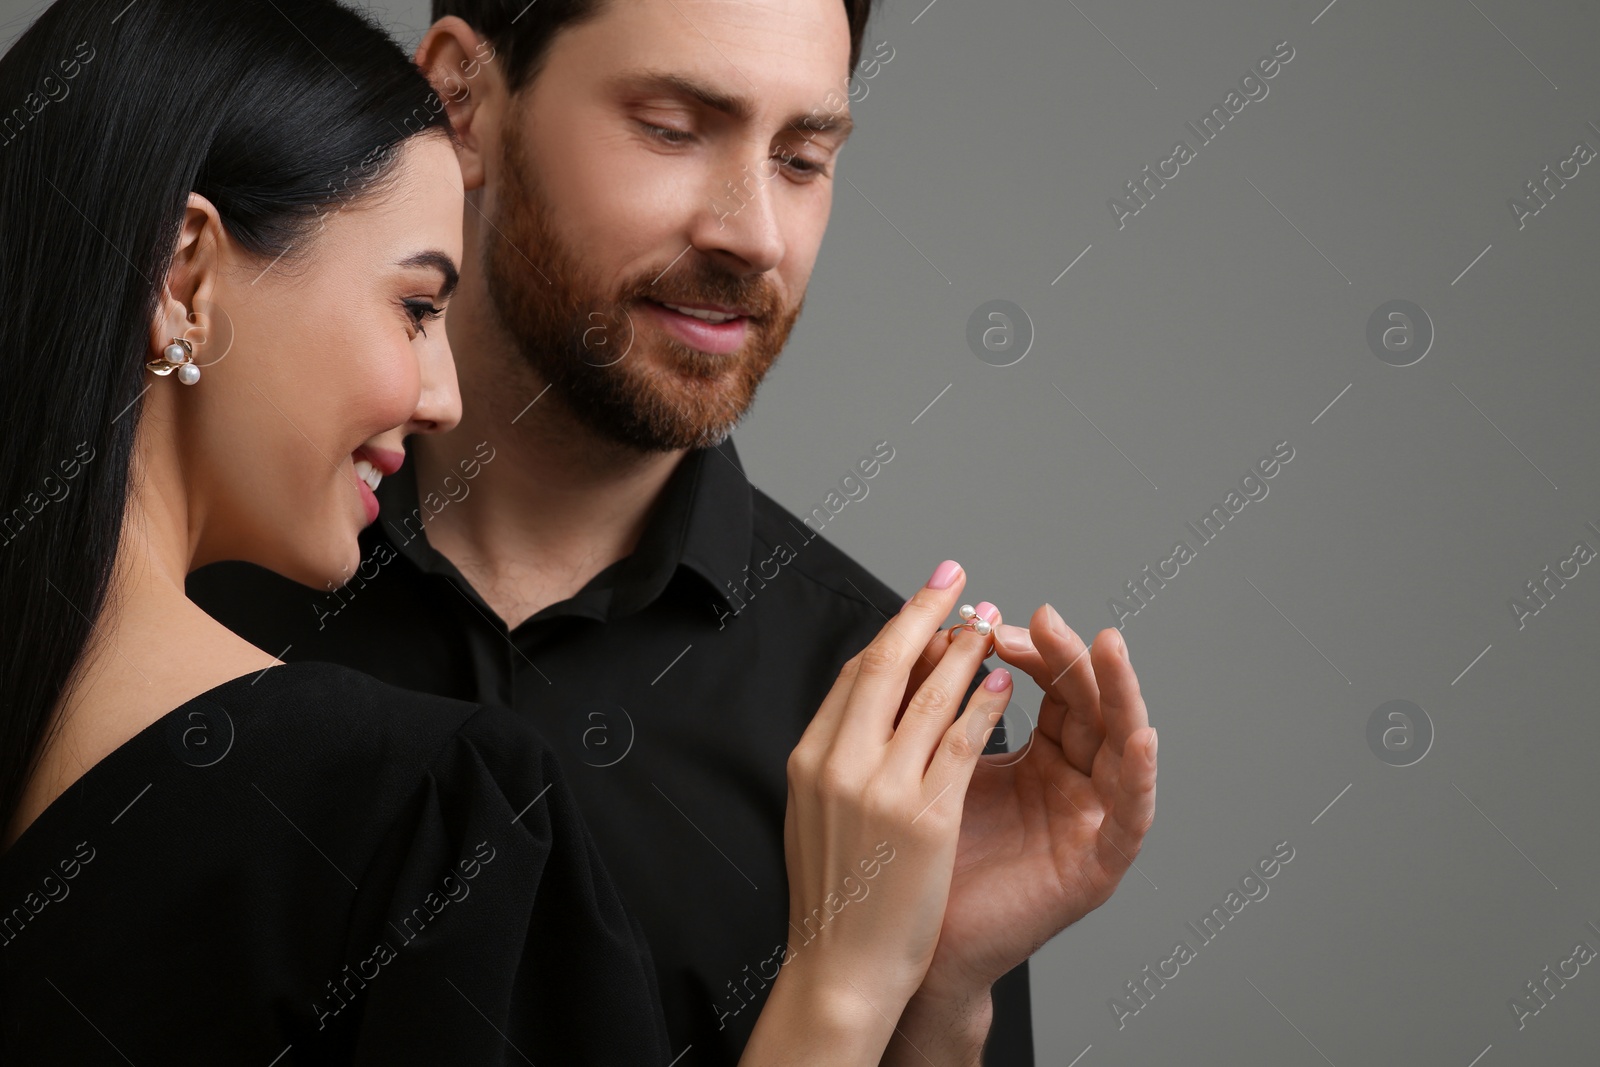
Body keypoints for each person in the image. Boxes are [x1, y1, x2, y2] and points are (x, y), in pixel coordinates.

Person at [0, 1, 1159, 1063]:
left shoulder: (887, 733)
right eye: (670, 127)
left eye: (803, 159)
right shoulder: (165, 610)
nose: (753, 230)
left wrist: (938, 988)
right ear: (461, 96)